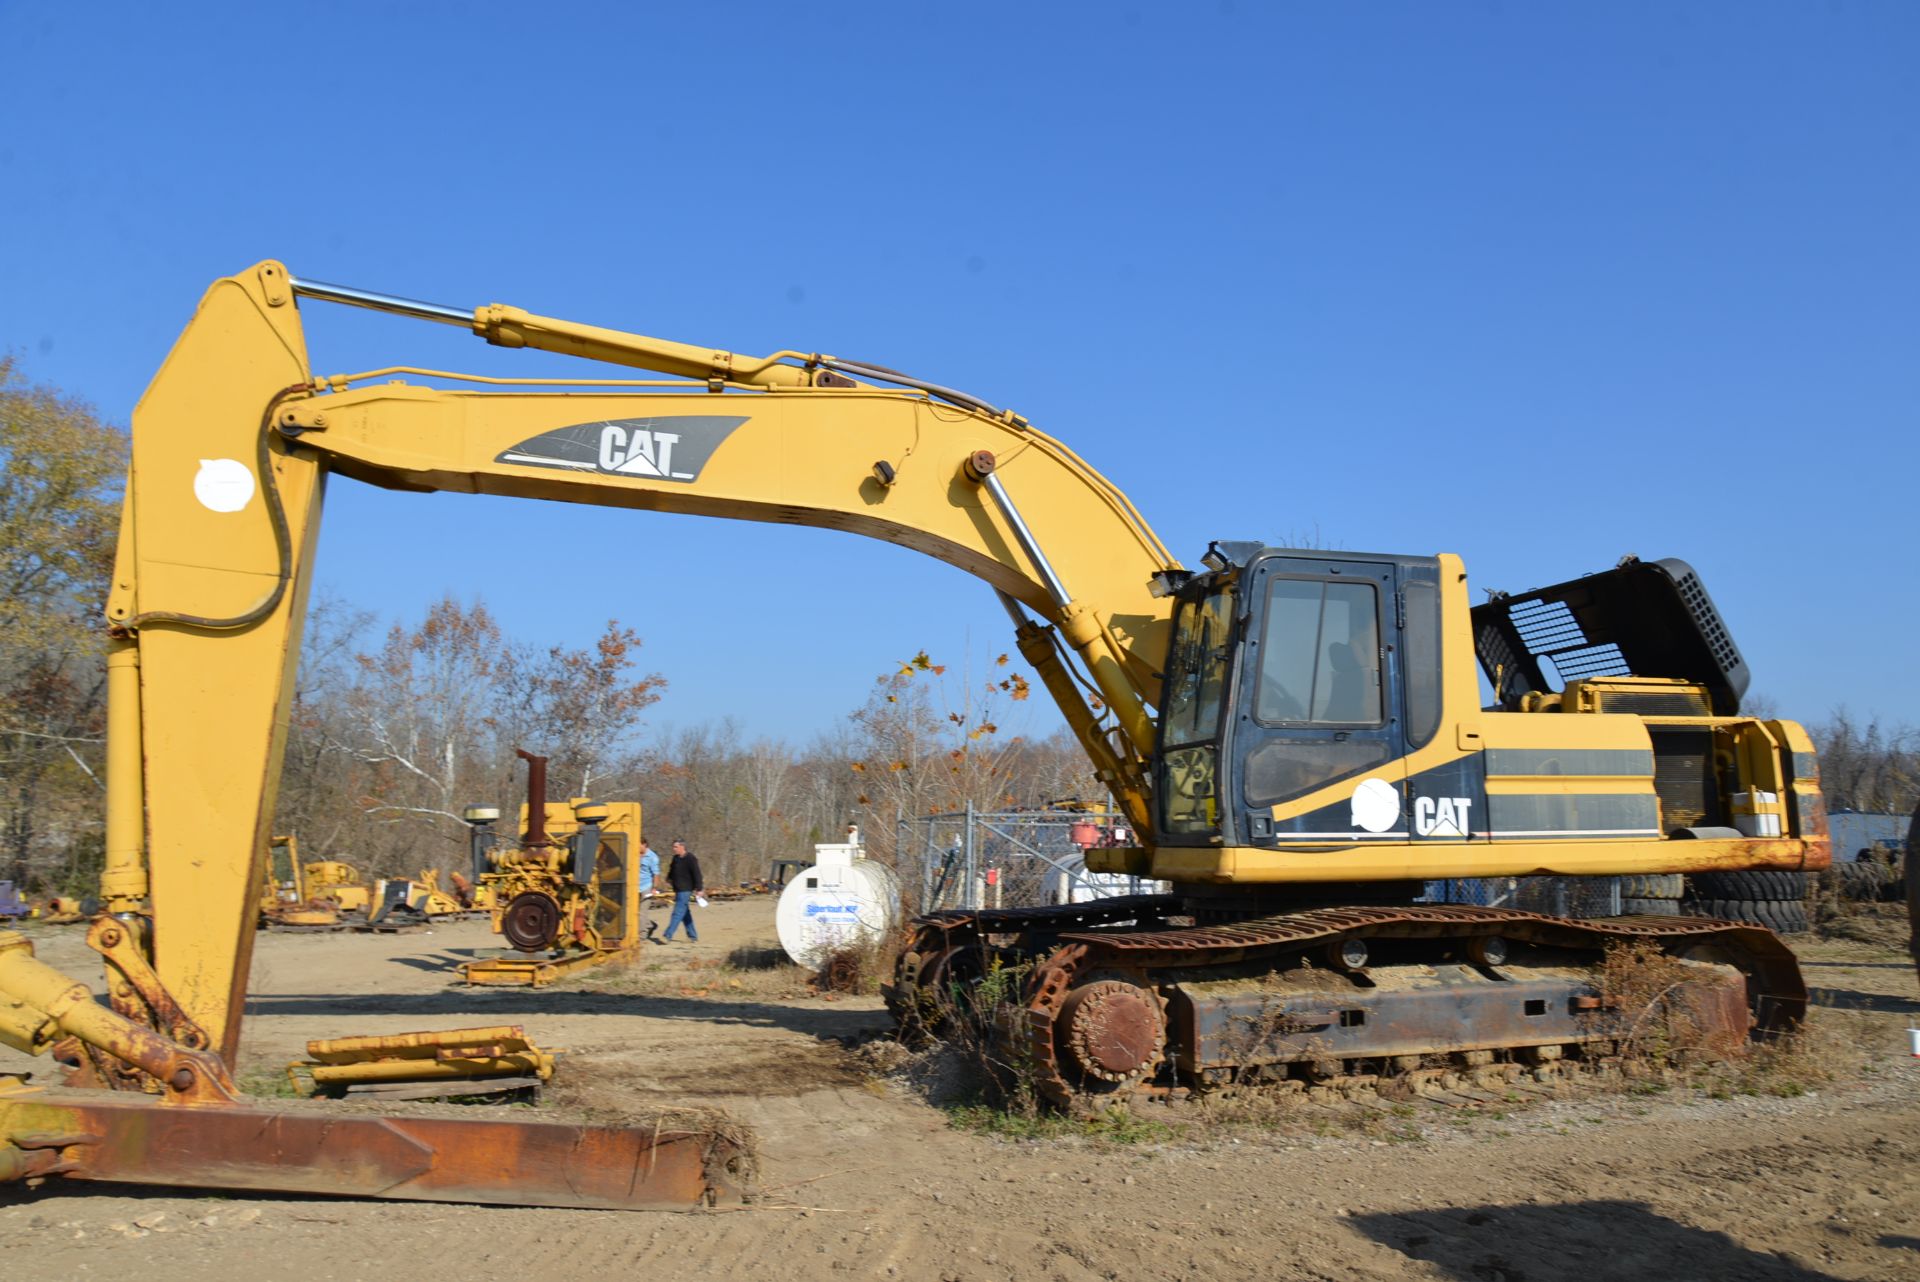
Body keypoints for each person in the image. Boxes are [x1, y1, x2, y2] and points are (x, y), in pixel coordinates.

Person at [661, 838, 705, 943]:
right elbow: (672, 871)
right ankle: (693, 936)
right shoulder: (675, 859)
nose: (673, 849)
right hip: (678, 889)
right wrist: (668, 879)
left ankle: (668, 934)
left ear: (682, 847)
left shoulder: (691, 858)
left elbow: (697, 874)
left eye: (675, 847)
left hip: (686, 889)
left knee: (678, 912)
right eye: (673, 847)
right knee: (685, 913)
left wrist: (699, 889)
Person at [637, 837, 662, 940]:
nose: (637, 847)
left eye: (638, 845)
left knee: (643, 911)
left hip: (646, 887)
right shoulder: (634, 854)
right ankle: (650, 925)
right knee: (635, 911)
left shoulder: (652, 857)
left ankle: (642, 935)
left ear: (644, 844)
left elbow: (656, 874)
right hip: (635, 887)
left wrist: (654, 888)